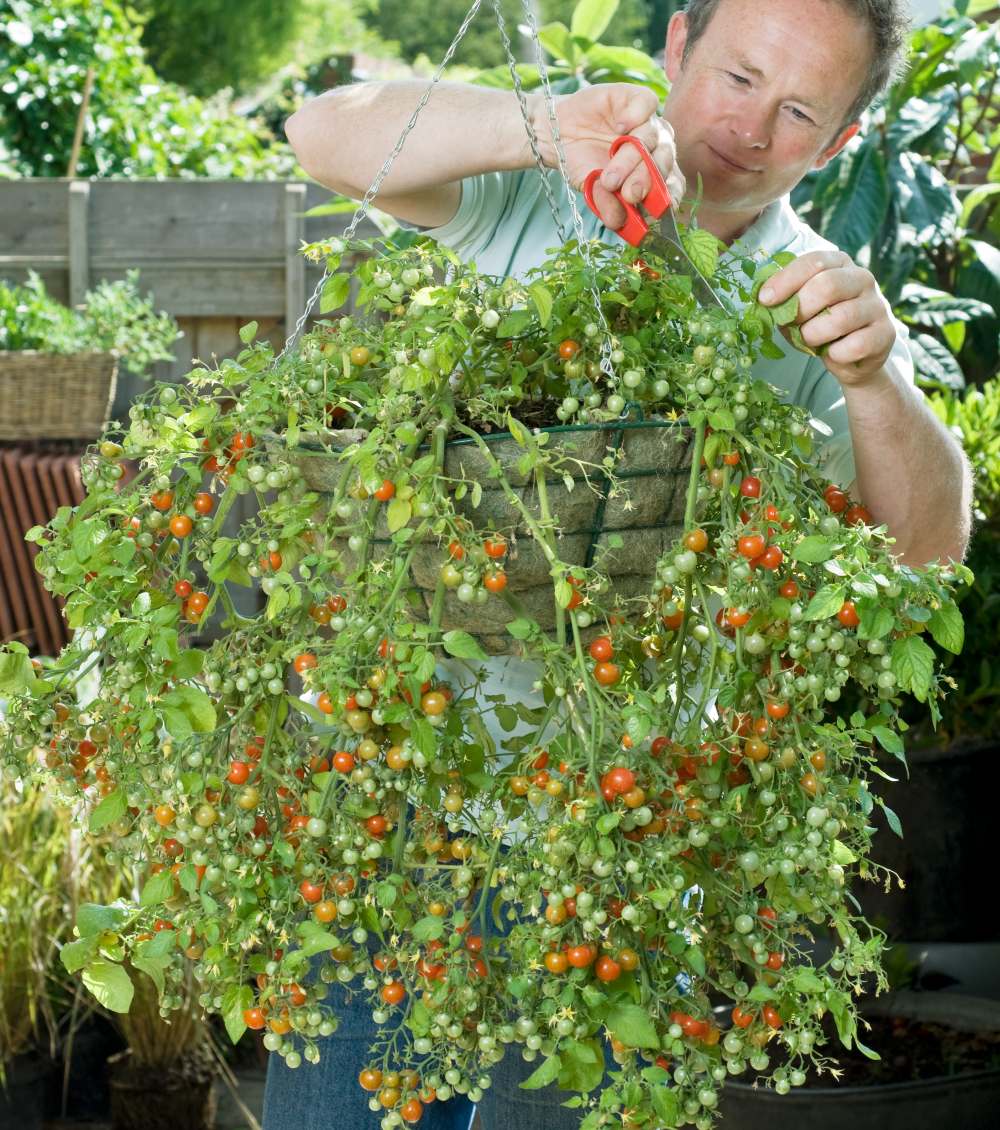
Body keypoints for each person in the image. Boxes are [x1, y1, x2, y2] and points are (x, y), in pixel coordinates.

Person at [265, 3, 973, 1128]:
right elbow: (322, 133)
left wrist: (876, 380)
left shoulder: (817, 296)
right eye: (737, 75)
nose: (749, 126)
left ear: (838, 142)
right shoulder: (536, 177)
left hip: (618, 842)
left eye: (797, 109)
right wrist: (540, 125)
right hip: (398, 806)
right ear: (676, 46)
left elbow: (927, 558)